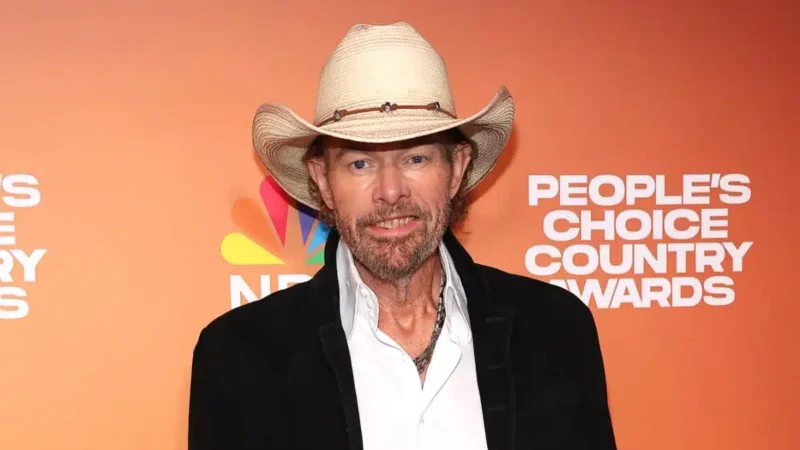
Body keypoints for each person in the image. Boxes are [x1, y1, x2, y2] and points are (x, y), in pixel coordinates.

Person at [188, 22, 617, 450]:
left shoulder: (555, 330)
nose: (391, 191)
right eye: (360, 164)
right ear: (322, 179)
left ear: (457, 169)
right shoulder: (238, 355)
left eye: (415, 157)